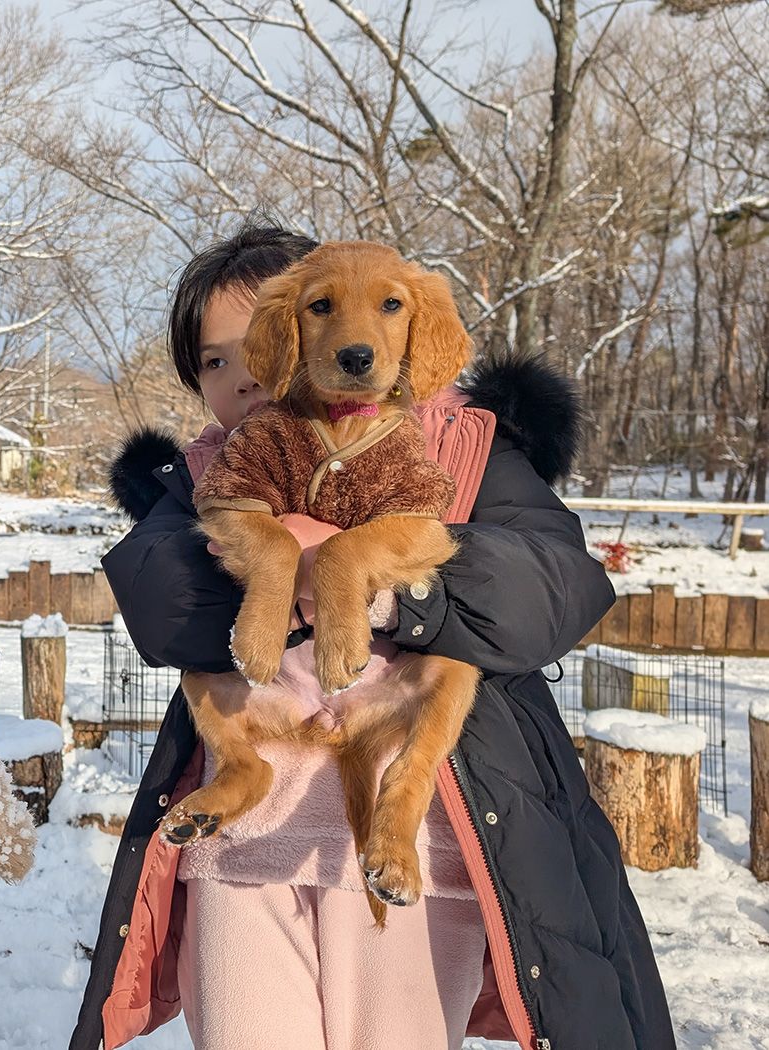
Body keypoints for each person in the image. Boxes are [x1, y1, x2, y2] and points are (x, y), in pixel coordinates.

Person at [70, 221, 675, 1050]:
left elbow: (556, 586)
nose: (248, 373)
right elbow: (159, 602)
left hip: (418, 836)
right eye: (214, 359)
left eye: (263, 339)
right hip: (246, 846)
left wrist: (374, 587)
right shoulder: (204, 472)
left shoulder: (463, 446)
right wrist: (281, 565)